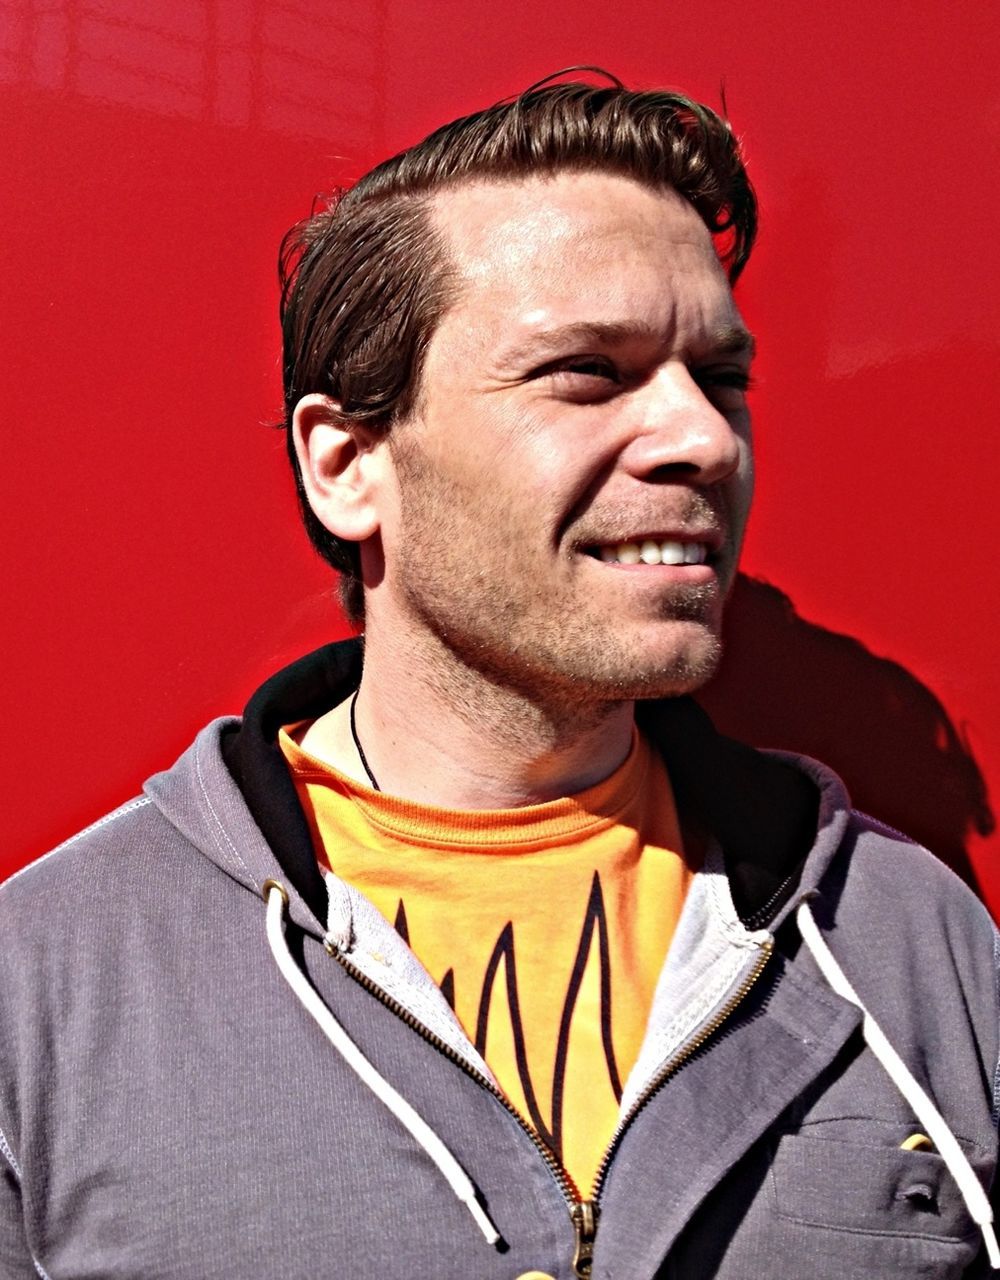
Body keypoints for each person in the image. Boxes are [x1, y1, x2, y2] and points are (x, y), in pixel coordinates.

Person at [1, 71, 997, 1280]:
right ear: (349, 463)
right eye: (587, 371)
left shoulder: (907, 933)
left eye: (720, 377)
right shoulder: (48, 980)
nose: (703, 438)